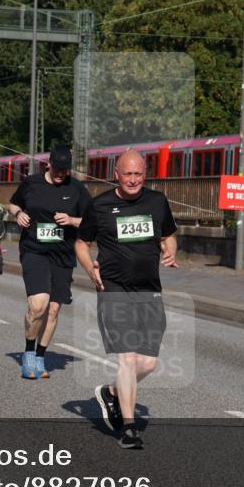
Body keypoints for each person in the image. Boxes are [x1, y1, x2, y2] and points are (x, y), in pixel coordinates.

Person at [76, 149, 178, 449]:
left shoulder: (157, 201)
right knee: (129, 357)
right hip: (114, 289)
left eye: (138, 174)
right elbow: (81, 243)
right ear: (116, 174)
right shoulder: (100, 205)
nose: (133, 179)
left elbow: (169, 234)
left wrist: (170, 248)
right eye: (127, 174)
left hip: (149, 290)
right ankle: (129, 427)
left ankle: (110, 393)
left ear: (145, 174)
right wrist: (89, 269)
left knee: (148, 363)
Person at [7, 145, 90, 379]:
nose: (61, 174)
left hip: (62, 254)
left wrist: (73, 220)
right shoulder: (32, 183)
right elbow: (13, 203)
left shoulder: (77, 189)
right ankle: (28, 353)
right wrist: (17, 213)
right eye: (58, 169)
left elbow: (92, 220)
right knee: (38, 305)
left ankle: (41, 356)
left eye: (65, 170)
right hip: (34, 250)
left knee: (53, 309)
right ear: (48, 164)